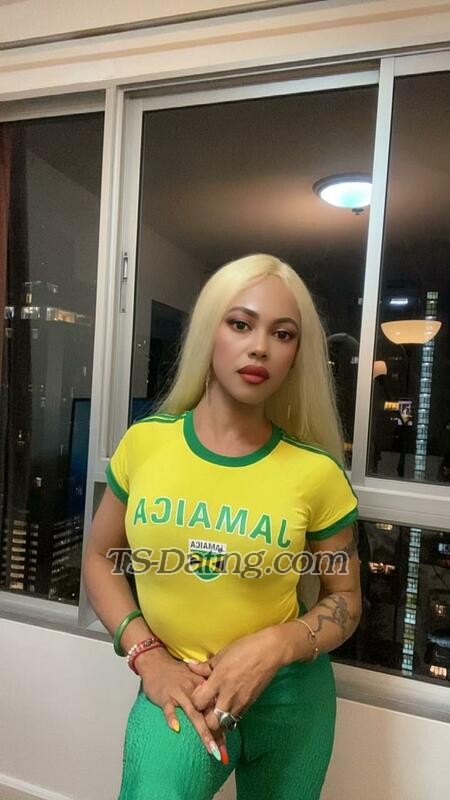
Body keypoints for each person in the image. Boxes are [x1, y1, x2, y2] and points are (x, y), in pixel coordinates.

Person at [82, 253, 362, 800]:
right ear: (210, 332)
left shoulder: (316, 473)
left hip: (291, 698)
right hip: (181, 688)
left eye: (283, 334)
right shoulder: (146, 444)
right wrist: (147, 656)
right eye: (240, 324)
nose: (260, 347)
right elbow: (99, 557)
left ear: (295, 356)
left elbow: (345, 598)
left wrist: (276, 645)